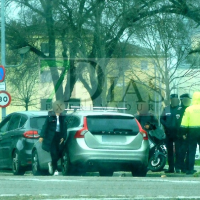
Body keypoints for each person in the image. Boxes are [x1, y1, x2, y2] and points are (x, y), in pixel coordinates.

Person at [39, 100, 67, 175]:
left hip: (59, 136)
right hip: (51, 137)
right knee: (54, 153)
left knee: (60, 153)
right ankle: (55, 170)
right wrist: (41, 136)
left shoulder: (63, 116)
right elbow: (45, 126)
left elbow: (64, 127)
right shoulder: (50, 115)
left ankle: (51, 163)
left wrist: (63, 137)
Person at [180, 91, 200, 175]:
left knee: (191, 150)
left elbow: (184, 122)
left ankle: (190, 169)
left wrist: (183, 133)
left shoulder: (189, 109)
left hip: (191, 131)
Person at [160, 94, 180, 173]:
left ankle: (178, 168)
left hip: (178, 133)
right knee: (170, 151)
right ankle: (171, 168)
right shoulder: (167, 109)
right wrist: (166, 125)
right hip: (168, 133)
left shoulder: (180, 108)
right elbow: (162, 119)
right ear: (170, 100)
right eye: (173, 99)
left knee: (178, 151)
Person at [175, 93, 192, 173]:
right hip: (180, 134)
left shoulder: (189, 109)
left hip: (189, 133)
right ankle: (179, 167)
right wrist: (182, 133)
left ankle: (186, 167)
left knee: (188, 151)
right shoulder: (179, 109)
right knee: (180, 151)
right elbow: (178, 123)